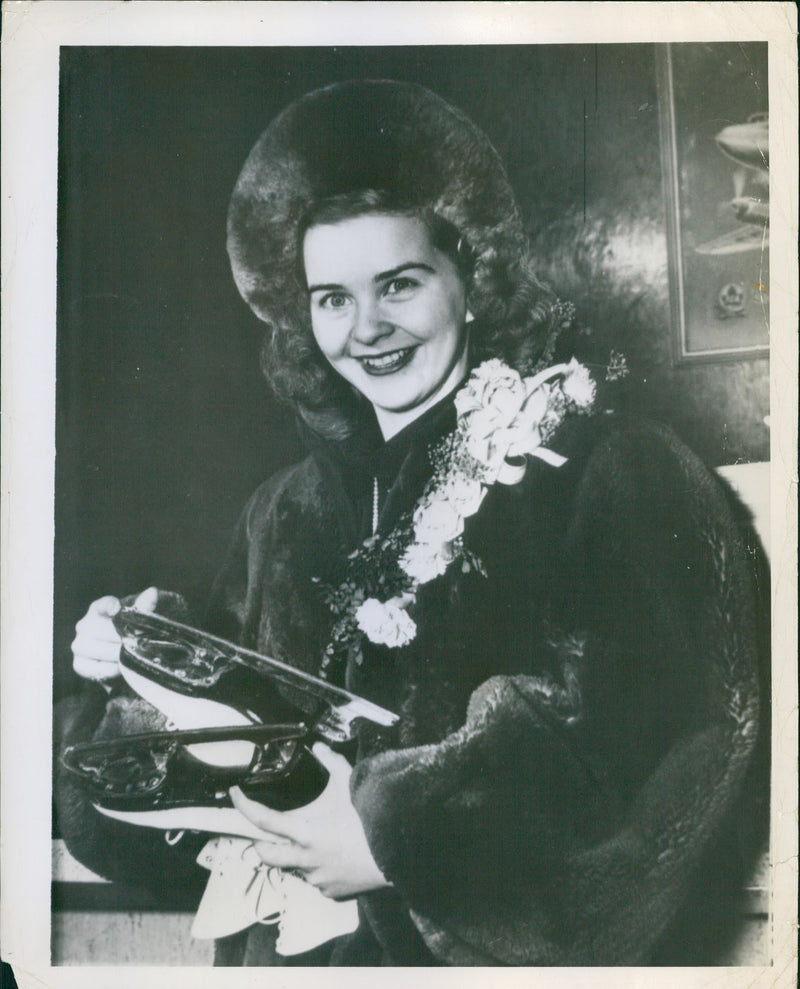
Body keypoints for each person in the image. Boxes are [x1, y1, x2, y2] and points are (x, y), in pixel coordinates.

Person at [56, 80, 767, 966]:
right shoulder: (284, 511)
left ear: (472, 283)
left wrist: (399, 850)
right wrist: (138, 660)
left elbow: (680, 763)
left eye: (400, 283)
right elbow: (156, 824)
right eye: (332, 298)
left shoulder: (609, 468)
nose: (367, 329)